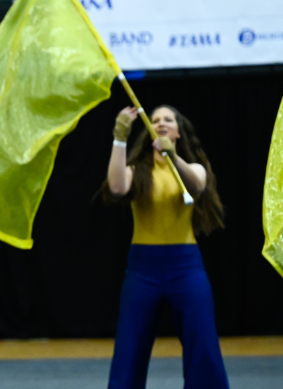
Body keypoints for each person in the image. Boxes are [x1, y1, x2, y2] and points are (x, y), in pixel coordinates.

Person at [103, 105, 228, 388]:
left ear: (179, 132)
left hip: (186, 267)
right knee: (129, 348)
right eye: (155, 120)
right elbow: (116, 187)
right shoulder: (138, 171)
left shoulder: (194, 168)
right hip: (142, 269)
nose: (160, 123)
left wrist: (173, 157)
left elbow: (196, 187)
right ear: (148, 131)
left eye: (168, 120)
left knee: (202, 343)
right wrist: (119, 138)